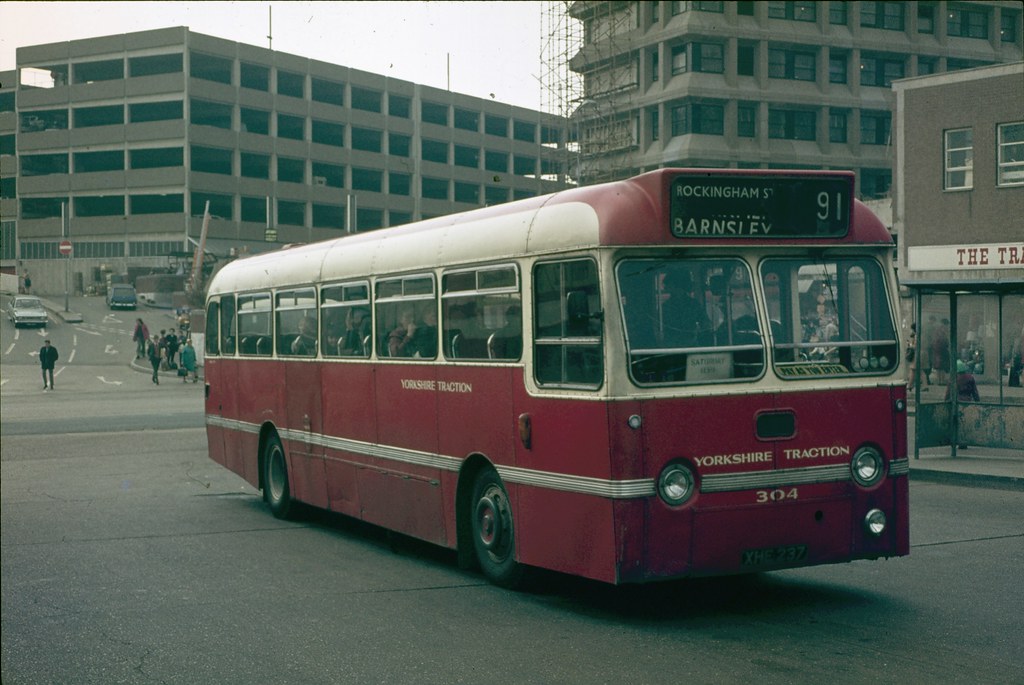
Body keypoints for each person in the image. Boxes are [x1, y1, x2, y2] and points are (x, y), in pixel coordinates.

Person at [661, 270, 711, 348]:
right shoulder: (665, 306)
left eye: (668, 284)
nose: (665, 287)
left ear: (676, 285)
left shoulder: (694, 305)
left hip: (691, 346)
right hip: (670, 349)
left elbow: (706, 324)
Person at [906, 323, 918, 390]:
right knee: (913, 370)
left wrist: (909, 345)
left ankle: (910, 385)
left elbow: (915, 346)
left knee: (913, 370)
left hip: (915, 355)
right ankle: (910, 384)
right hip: (915, 355)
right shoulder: (916, 336)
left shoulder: (916, 336)